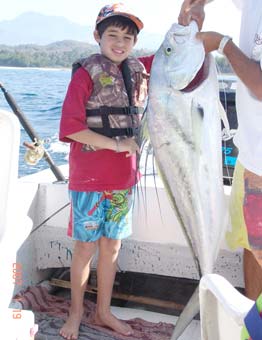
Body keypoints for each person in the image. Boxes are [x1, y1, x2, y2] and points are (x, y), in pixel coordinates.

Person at [59, 3, 154, 339]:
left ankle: (103, 312)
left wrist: (191, 20)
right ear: (97, 36)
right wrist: (115, 145)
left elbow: (180, 52)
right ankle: (74, 313)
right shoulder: (86, 75)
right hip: (89, 182)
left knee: (111, 246)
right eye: (112, 34)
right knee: (85, 247)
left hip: (123, 182)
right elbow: (70, 128)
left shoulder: (139, 69)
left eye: (128, 37)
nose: (120, 42)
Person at [179, 0, 262, 300]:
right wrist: (195, 6)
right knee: (250, 244)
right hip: (250, 154)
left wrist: (223, 44)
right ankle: (254, 319)